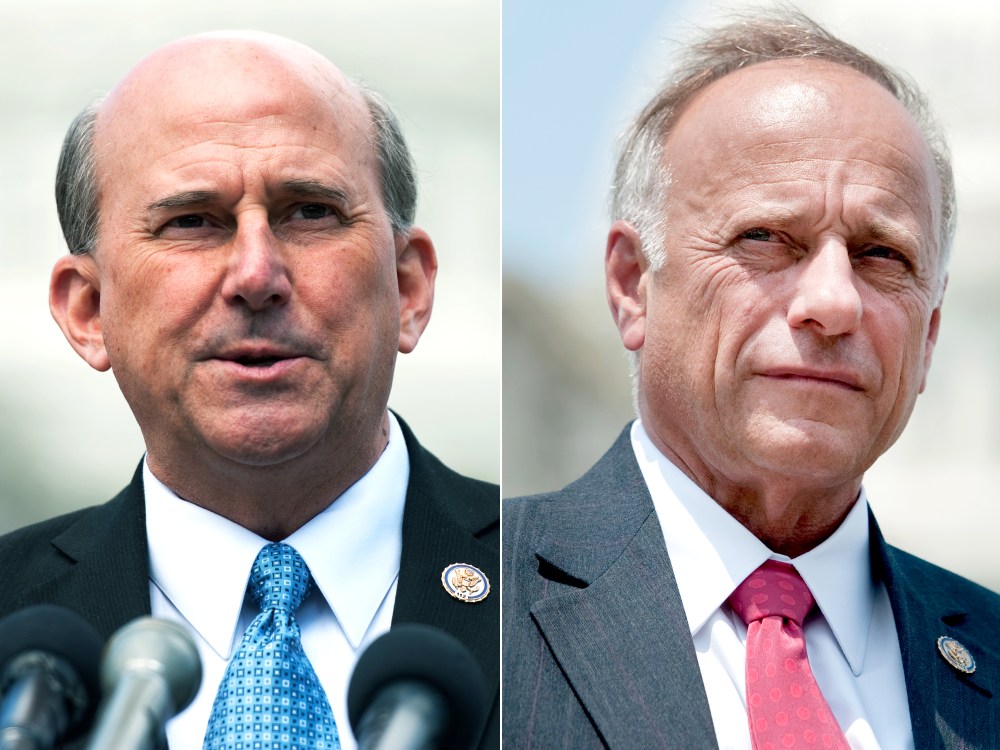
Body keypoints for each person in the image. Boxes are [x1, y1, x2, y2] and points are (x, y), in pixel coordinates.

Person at [502, 9, 1000, 749]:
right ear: (633, 285)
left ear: (927, 336)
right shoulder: (467, 616)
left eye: (882, 256)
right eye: (766, 238)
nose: (832, 303)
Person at [0, 31, 498, 749]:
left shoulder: (539, 587)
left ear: (408, 286)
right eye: (192, 222)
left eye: (309, 212)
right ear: (87, 311)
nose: (256, 274)